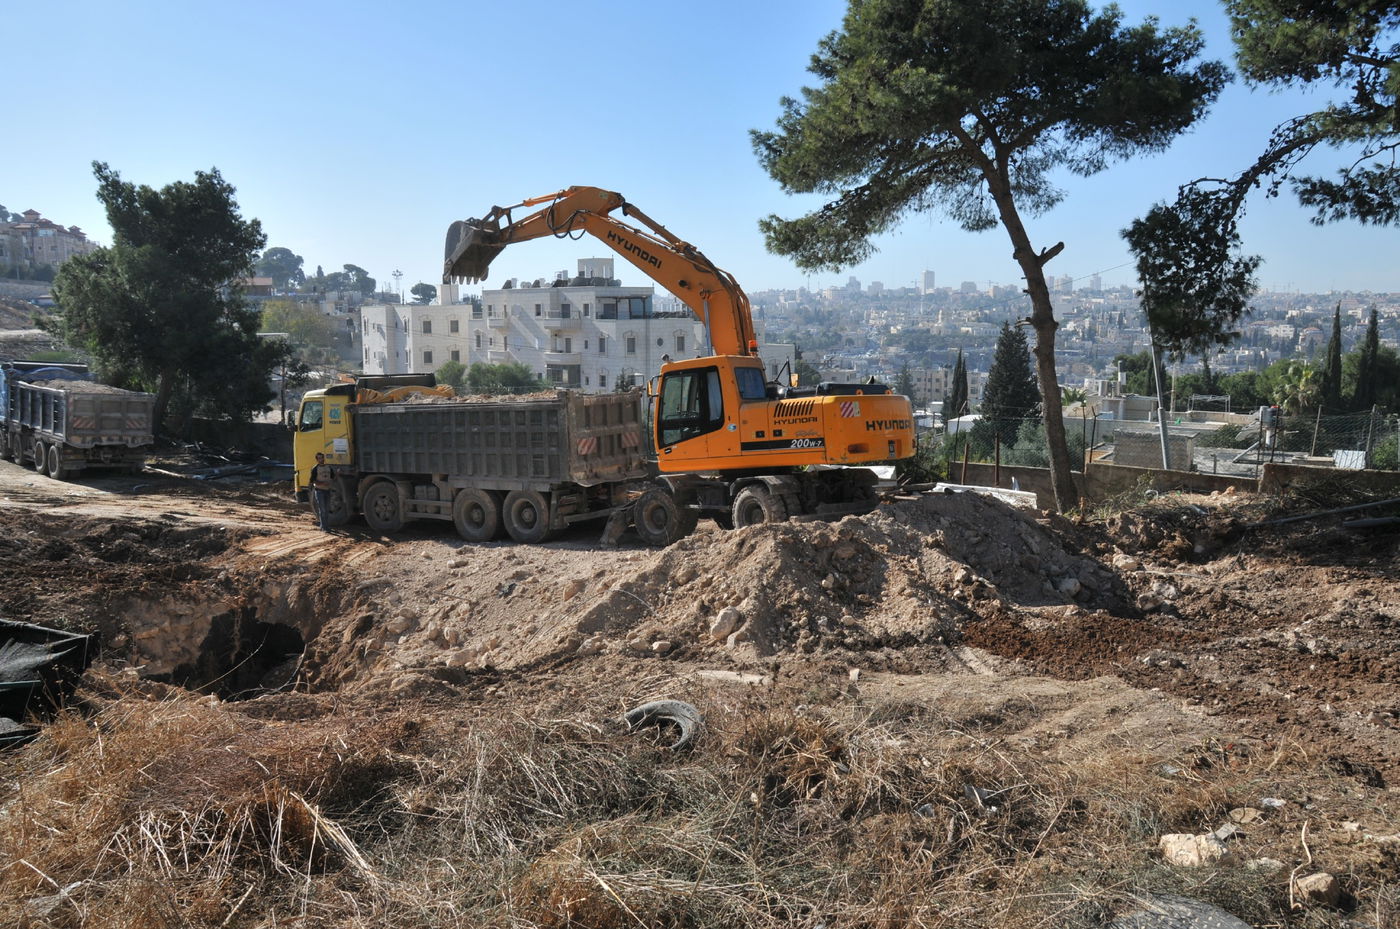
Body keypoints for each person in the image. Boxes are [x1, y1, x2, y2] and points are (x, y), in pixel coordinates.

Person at [310, 452, 335, 530]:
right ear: (317, 459)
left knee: (327, 509)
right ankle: (324, 527)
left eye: (322, 458)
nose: (321, 459)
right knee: (322, 510)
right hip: (319, 491)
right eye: (320, 458)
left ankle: (325, 526)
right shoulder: (315, 469)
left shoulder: (329, 467)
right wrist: (322, 483)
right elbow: (312, 481)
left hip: (327, 490)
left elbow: (333, 477)